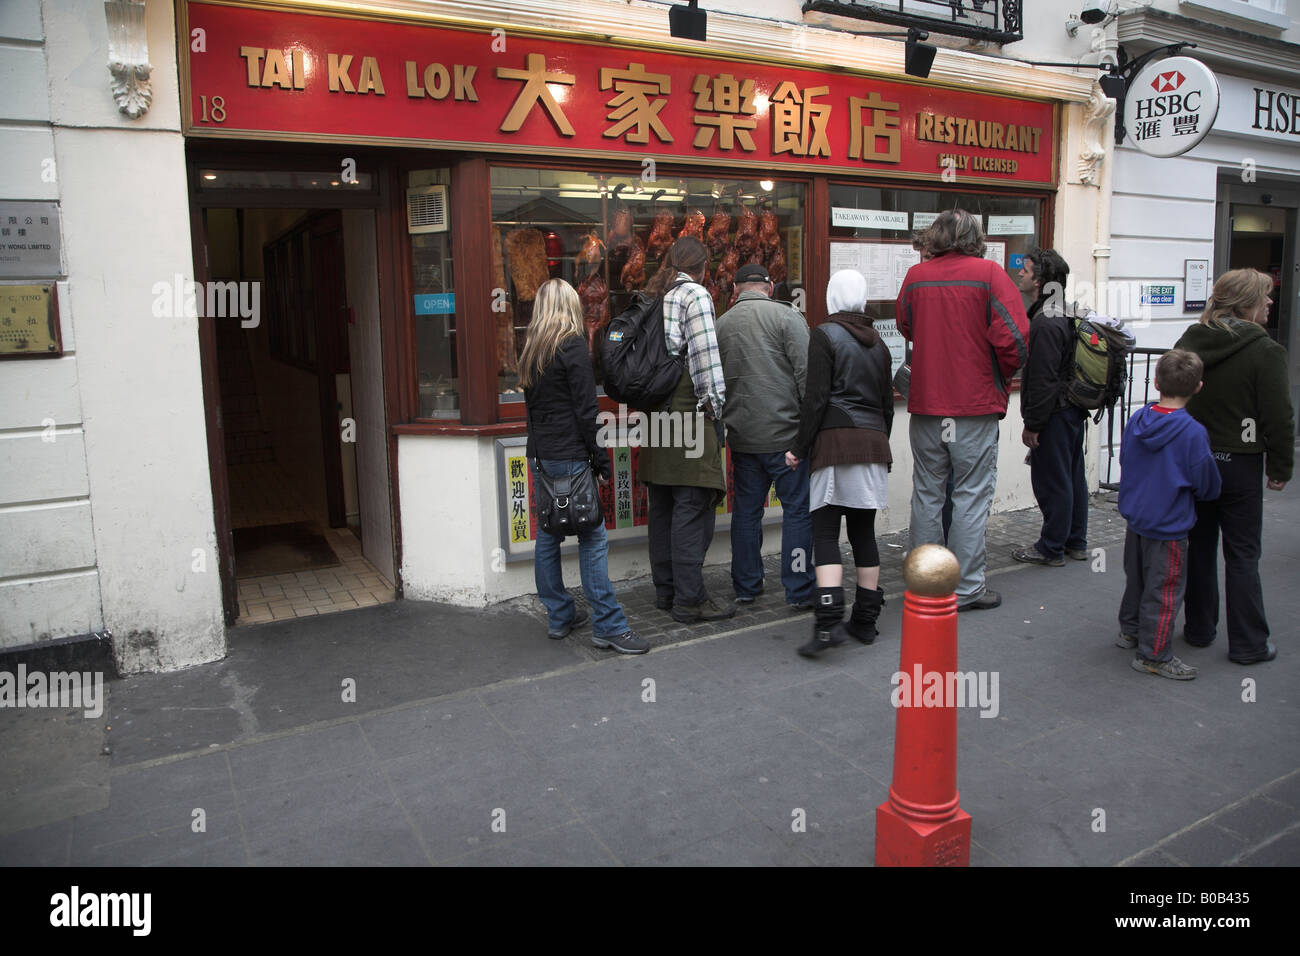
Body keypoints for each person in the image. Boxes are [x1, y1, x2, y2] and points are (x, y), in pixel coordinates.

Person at [896, 209, 1030, 611]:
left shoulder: (917, 278)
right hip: (972, 405)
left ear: (935, 236)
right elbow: (1015, 340)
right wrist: (999, 372)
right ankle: (967, 587)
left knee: (927, 494)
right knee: (970, 496)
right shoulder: (989, 274)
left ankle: (926, 582)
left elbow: (906, 326)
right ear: (976, 237)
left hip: (928, 404)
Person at [521, 279, 648, 654]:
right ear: (570, 306)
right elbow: (586, 410)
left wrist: (538, 455)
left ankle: (559, 615)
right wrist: (600, 458)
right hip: (571, 455)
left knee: (548, 534)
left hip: (542, 455)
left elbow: (531, 412)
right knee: (593, 538)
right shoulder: (572, 345)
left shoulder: (532, 349)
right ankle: (608, 624)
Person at [1175, 268, 1294, 664]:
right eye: (1265, 296)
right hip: (1240, 464)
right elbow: (1278, 416)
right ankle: (1248, 644)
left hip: (1195, 460)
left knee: (1201, 546)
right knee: (1242, 555)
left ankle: (1199, 628)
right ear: (1246, 304)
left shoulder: (1191, 342)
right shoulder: (1266, 352)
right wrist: (1280, 466)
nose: (1270, 302)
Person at [788, 270, 892, 657]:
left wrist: (799, 447)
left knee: (826, 533)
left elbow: (815, 400)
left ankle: (829, 622)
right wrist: (882, 448)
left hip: (834, 445)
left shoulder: (824, 335)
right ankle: (865, 621)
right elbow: (885, 406)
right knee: (863, 533)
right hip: (873, 445)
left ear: (832, 296)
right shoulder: (880, 344)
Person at [637, 237, 735, 624]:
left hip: (656, 415)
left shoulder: (653, 293)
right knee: (692, 506)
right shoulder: (693, 294)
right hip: (688, 414)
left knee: (662, 504)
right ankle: (690, 600)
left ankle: (666, 591)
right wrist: (716, 412)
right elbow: (705, 360)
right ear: (703, 266)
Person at [715, 262, 814, 610]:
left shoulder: (721, 325)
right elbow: (807, 379)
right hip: (786, 438)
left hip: (742, 437)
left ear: (737, 290)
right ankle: (799, 588)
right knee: (798, 512)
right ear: (769, 287)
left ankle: (746, 586)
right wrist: (807, 432)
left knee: (745, 512)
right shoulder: (788, 318)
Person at [1117, 349, 1221, 679]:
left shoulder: (1138, 419)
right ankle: (1155, 654)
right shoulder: (1192, 432)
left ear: (1157, 382)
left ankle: (1130, 630)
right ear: (1198, 387)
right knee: (1164, 589)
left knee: (1137, 578)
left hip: (1137, 516)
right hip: (1169, 523)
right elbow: (1205, 481)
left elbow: (1126, 461)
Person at [1012, 248, 1090, 567]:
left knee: (1053, 481)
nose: (1020, 273)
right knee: (1072, 477)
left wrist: (1033, 423)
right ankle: (1075, 541)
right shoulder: (1064, 313)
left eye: (1026, 270)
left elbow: (1043, 379)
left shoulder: (1046, 322)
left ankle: (1051, 547)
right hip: (1071, 409)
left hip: (1055, 414)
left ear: (1040, 280)